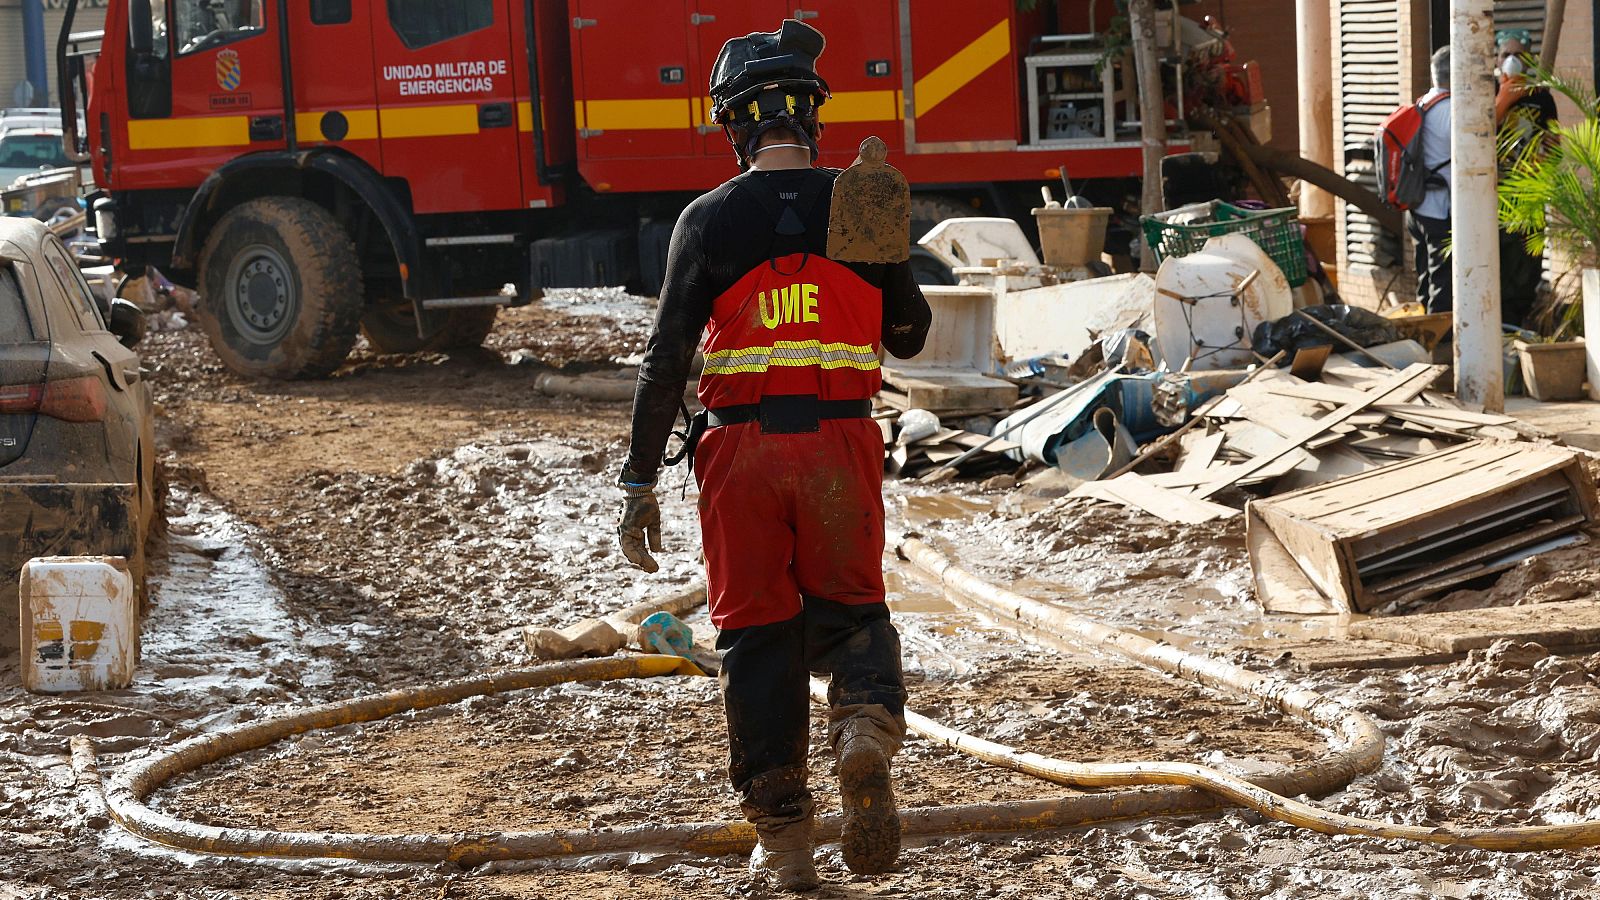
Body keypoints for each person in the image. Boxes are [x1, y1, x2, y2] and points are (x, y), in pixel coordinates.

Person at [614, 19, 931, 893]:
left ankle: (787, 846)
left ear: (734, 125)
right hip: (840, 444)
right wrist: (881, 246)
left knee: (757, 639)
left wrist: (639, 480)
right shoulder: (860, 200)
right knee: (854, 615)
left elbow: (665, 361)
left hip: (740, 454)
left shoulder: (707, 218)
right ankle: (862, 730)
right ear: (812, 117)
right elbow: (909, 334)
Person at [1493, 29, 1558, 327]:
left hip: (1529, 197)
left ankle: (1516, 325)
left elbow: (1555, 146)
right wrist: (1503, 100)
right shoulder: (1486, 93)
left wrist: (1543, 167)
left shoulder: (1541, 98)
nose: (1512, 61)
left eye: (1519, 55)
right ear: (1496, 59)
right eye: (1506, 54)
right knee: (1499, 266)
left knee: (1526, 268)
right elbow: (1475, 137)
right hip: (1496, 197)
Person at [1407, 46, 1454, 314]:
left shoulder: (1422, 104)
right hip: (1439, 210)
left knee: (1425, 279)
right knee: (1442, 283)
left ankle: (1423, 329)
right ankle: (1440, 335)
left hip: (1416, 207)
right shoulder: (1452, 111)